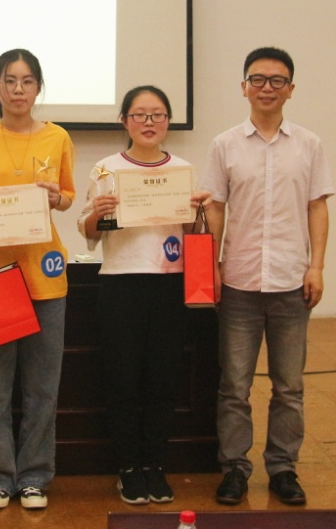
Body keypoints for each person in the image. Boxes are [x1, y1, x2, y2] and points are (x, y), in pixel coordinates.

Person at [199, 47, 333, 507]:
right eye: (258, 79)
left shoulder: (309, 145)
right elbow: (215, 208)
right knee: (234, 387)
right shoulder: (224, 145)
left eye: (277, 81)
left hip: (291, 283)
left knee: (289, 387)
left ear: (291, 90)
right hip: (238, 282)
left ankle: (283, 468)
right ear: (243, 87)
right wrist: (212, 267)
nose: (267, 88)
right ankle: (234, 469)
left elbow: (317, 206)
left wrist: (317, 266)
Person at [78, 85, 211, 506]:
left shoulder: (184, 170)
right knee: (123, 380)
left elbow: (192, 233)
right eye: (139, 115)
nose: (149, 122)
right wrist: (98, 214)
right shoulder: (106, 168)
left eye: (157, 115)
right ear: (125, 121)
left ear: (168, 121)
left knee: (162, 379)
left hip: (170, 282)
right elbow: (88, 232)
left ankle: (154, 463)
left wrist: (199, 212)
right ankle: (129, 467)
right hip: (121, 283)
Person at [0, 48, 76, 511]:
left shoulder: (58, 137)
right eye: (10, 81)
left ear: (38, 87)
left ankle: (34, 477)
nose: (19, 90)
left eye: (27, 81)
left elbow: (67, 197)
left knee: (43, 388)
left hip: (45, 274)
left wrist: (56, 198)